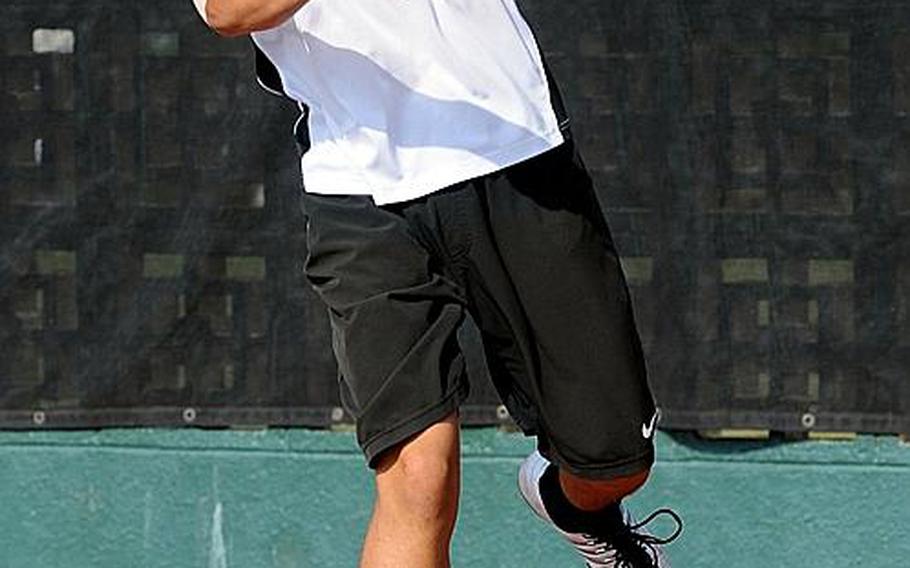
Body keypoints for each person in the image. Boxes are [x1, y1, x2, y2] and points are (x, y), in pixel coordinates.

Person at [192, 1, 681, 566]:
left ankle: (574, 505)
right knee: (417, 479)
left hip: (515, 150)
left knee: (613, 463)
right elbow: (230, 11)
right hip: (357, 189)